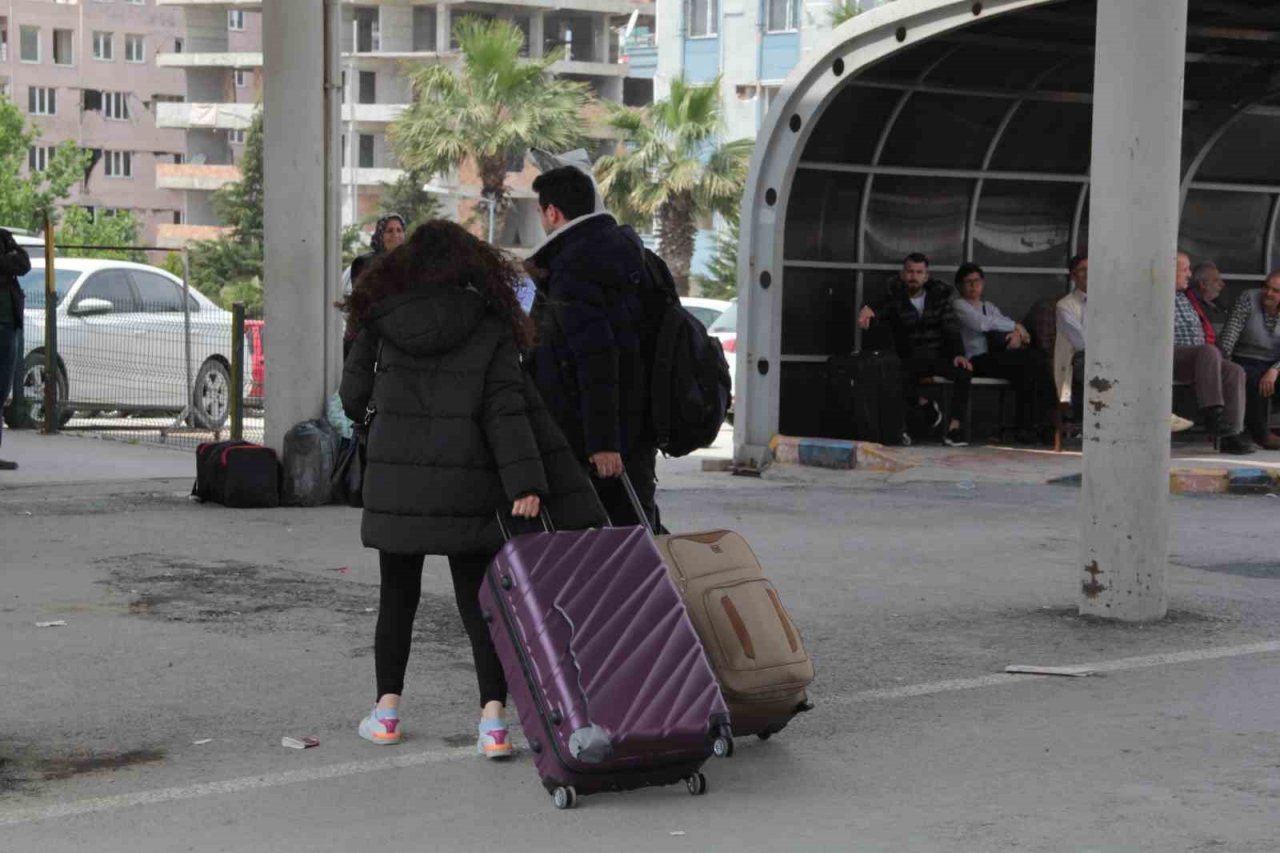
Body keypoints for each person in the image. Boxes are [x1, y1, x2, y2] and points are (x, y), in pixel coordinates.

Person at [339, 220, 604, 757]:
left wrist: (381, 421)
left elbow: (351, 395)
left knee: (397, 598)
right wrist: (525, 481)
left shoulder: (380, 318)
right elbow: (505, 408)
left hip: (397, 481)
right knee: (480, 603)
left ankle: (387, 714)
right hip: (471, 480)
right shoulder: (488, 324)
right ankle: (493, 725)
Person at [525, 165, 658, 528]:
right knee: (633, 530)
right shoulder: (628, 254)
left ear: (552, 212)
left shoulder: (572, 266)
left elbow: (595, 356)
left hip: (591, 438)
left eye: (540, 211)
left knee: (602, 542)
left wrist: (602, 442)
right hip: (634, 422)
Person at [857, 253, 970, 446]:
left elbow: (951, 328)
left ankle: (954, 429)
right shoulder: (894, 298)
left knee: (964, 371)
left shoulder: (940, 298)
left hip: (937, 355)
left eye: (919, 272)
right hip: (909, 359)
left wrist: (959, 354)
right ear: (903, 274)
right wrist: (868, 316)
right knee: (892, 377)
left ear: (926, 276)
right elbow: (877, 313)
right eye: (910, 271)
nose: (914, 276)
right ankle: (918, 412)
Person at [951, 263, 1054, 443]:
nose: (973, 286)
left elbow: (1001, 321)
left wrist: (1016, 334)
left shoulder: (988, 307)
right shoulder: (959, 305)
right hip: (973, 361)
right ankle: (1046, 420)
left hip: (995, 358)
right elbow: (981, 324)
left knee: (1029, 370)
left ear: (983, 283)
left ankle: (1031, 426)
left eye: (977, 281)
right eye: (968, 282)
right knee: (1032, 360)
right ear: (959, 286)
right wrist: (1016, 326)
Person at [1174, 251, 1253, 454]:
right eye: (1185, 270)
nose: (1189, 274)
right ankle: (1212, 413)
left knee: (1234, 370)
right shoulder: (1158, 295)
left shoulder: (1184, 297)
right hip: (1170, 356)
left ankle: (1230, 432)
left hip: (1198, 357)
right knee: (1208, 352)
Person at [1217, 271, 1280, 450]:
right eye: (1266, 287)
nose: (1268, 293)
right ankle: (1261, 434)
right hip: (1245, 357)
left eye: (1275, 291)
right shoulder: (1248, 298)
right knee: (1252, 379)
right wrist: (1224, 363)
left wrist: (1275, 370)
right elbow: (1230, 335)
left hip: (1274, 363)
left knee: (1266, 379)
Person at [343, 214, 407, 358]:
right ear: (380, 234)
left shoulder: (411, 264)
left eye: (399, 230)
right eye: (389, 231)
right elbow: (362, 302)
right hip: (370, 336)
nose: (395, 235)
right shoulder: (365, 263)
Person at [0, 228, 31, 471]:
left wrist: (9, 251)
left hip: (8, 324)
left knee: (1, 390)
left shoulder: (3, 236)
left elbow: (22, 264)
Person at [1054, 254, 1088, 417]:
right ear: (1073, 276)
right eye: (1082, 270)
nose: (1088, 273)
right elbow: (1081, 342)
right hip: (1080, 357)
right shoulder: (1065, 305)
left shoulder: (1108, 301)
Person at [1189, 261, 1230, 334]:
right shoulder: (1190, 306)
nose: (1222, 284)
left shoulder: (1218, 305)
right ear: (1203, 284)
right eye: (1216, 280)